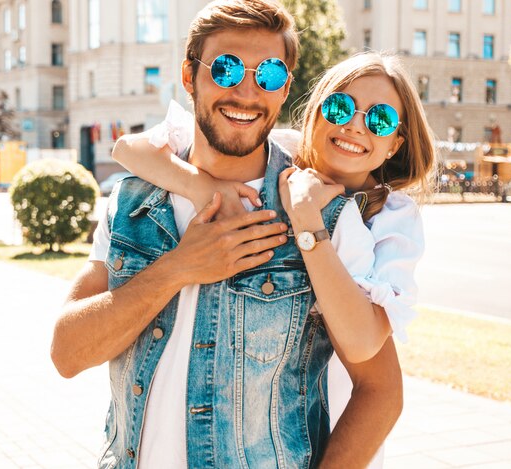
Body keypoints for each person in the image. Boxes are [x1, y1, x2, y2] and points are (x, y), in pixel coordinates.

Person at [51, 1, 404, 467]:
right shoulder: (132, 200)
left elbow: (380, 391)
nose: (246, 91)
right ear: (188, 75)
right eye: (226, 68)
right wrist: (179, 267)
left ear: (285, 92)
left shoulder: (321, 218)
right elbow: (67, 354)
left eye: (270, 75)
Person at [111, 51, 435, 466]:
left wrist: (306, 219)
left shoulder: (391, 220)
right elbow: (129, 149)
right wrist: (204, 187)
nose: (355, 125)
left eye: (380, 120)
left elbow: (364, 350)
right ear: (315, 112)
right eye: (340, 107)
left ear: (395, 144)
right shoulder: (277, 151)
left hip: (337, 446)